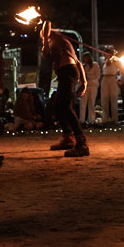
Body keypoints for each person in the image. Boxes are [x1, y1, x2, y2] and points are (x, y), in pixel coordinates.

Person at [40, 20, 89, 156]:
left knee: (66, 107)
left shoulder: (56, 41)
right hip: (67, 72)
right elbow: (78, 63)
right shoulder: (60, 44)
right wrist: (84, 82)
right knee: (58, 106)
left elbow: (47, 23)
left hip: (67, 71)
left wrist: (44, 40)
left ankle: (81, 143)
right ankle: (68, 138)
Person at [80, 52, 100, 125]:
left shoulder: (95, 65)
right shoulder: (83, 66)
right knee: (83, 104)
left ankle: (91, 120)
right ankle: (82, 120)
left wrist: (89, 77)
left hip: (93, 86)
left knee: (91, 104)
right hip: (85, 86)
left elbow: (97, 76)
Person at [100, 47, 119, 124]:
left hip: (112, 78)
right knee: (104, 100)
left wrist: (112, 58)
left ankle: (115, 120)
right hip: (105, 78)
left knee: (113, 99)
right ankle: (105, 119)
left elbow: (119, 68)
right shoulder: (103, 62)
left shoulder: (115, 60)